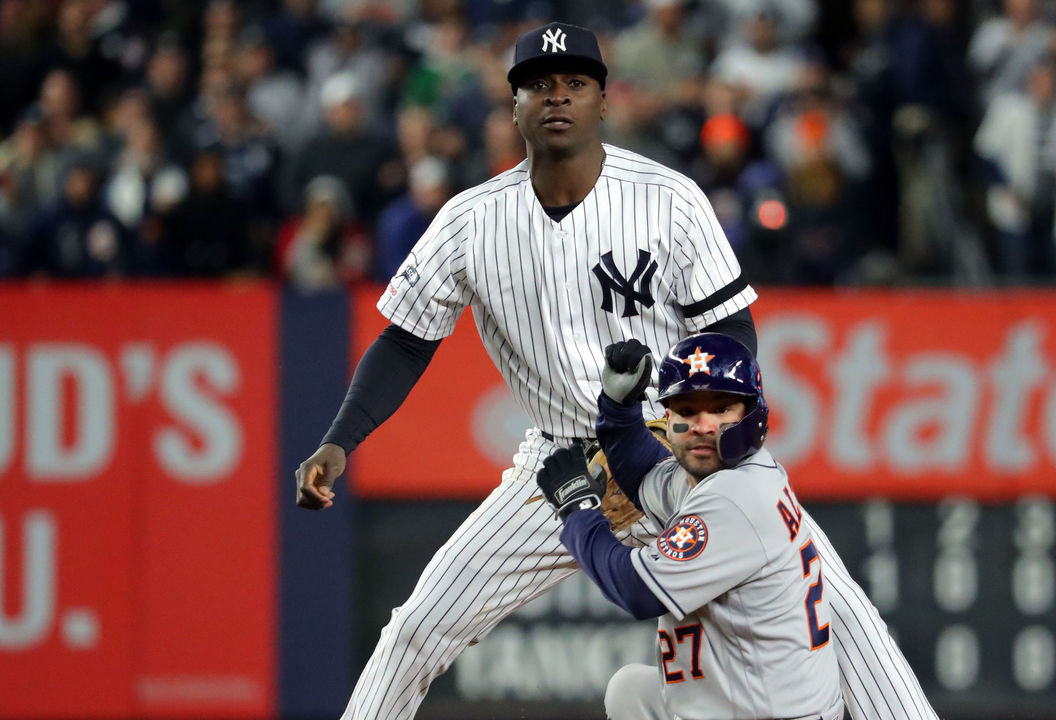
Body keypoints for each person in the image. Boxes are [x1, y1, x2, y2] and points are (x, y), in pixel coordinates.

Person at [294, 21, 936, 720]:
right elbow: (406, 342)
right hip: (560, 461)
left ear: (604, 99)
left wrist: (709, 451)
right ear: (513, 106)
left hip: (679, 448)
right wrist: (340, 437)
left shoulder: (669, 199)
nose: (558, 97)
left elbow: (730, 333)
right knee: (417, 629)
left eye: (576, 83)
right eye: (540, 84)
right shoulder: (468, 222)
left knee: (842, 617)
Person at [535, 333, 844, 720]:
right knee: (631, 692)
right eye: (686, 410)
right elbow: (648, 472)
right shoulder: (725, 475)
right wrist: (618, 408)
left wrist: (579, 510)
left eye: (721, 408)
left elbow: (638, 591)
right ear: (668, 418)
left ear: (753, 413)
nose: (702, 425)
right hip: (763, 700)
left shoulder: (737, 497)